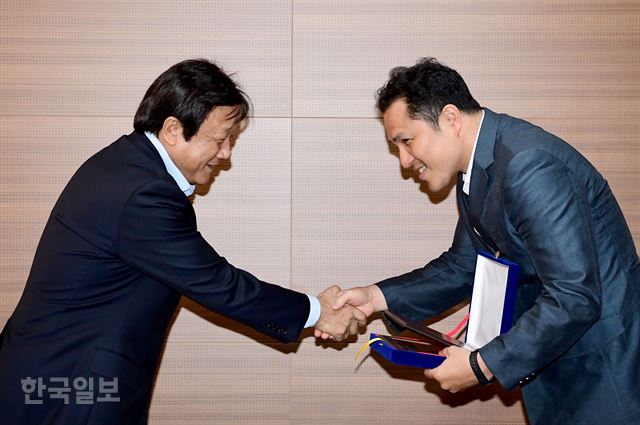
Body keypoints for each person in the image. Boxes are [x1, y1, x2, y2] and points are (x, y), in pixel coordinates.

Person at [0, 59, 365, 425]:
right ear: (173, 129)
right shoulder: (144, 193)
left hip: (59, 376)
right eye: (220, 140)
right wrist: (316, 312)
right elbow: (217, 283)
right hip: (70, 387)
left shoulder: (127, 167)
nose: (226, 155)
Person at [330, 57, 640, 424]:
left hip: (605, 373)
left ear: (450, 119)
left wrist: (483, 364)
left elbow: (575, 296)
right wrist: (375, 297)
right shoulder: (479, 167)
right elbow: (464, 266)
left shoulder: (528, 165)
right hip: (557, 366)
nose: (404, 161)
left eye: (407, 141)